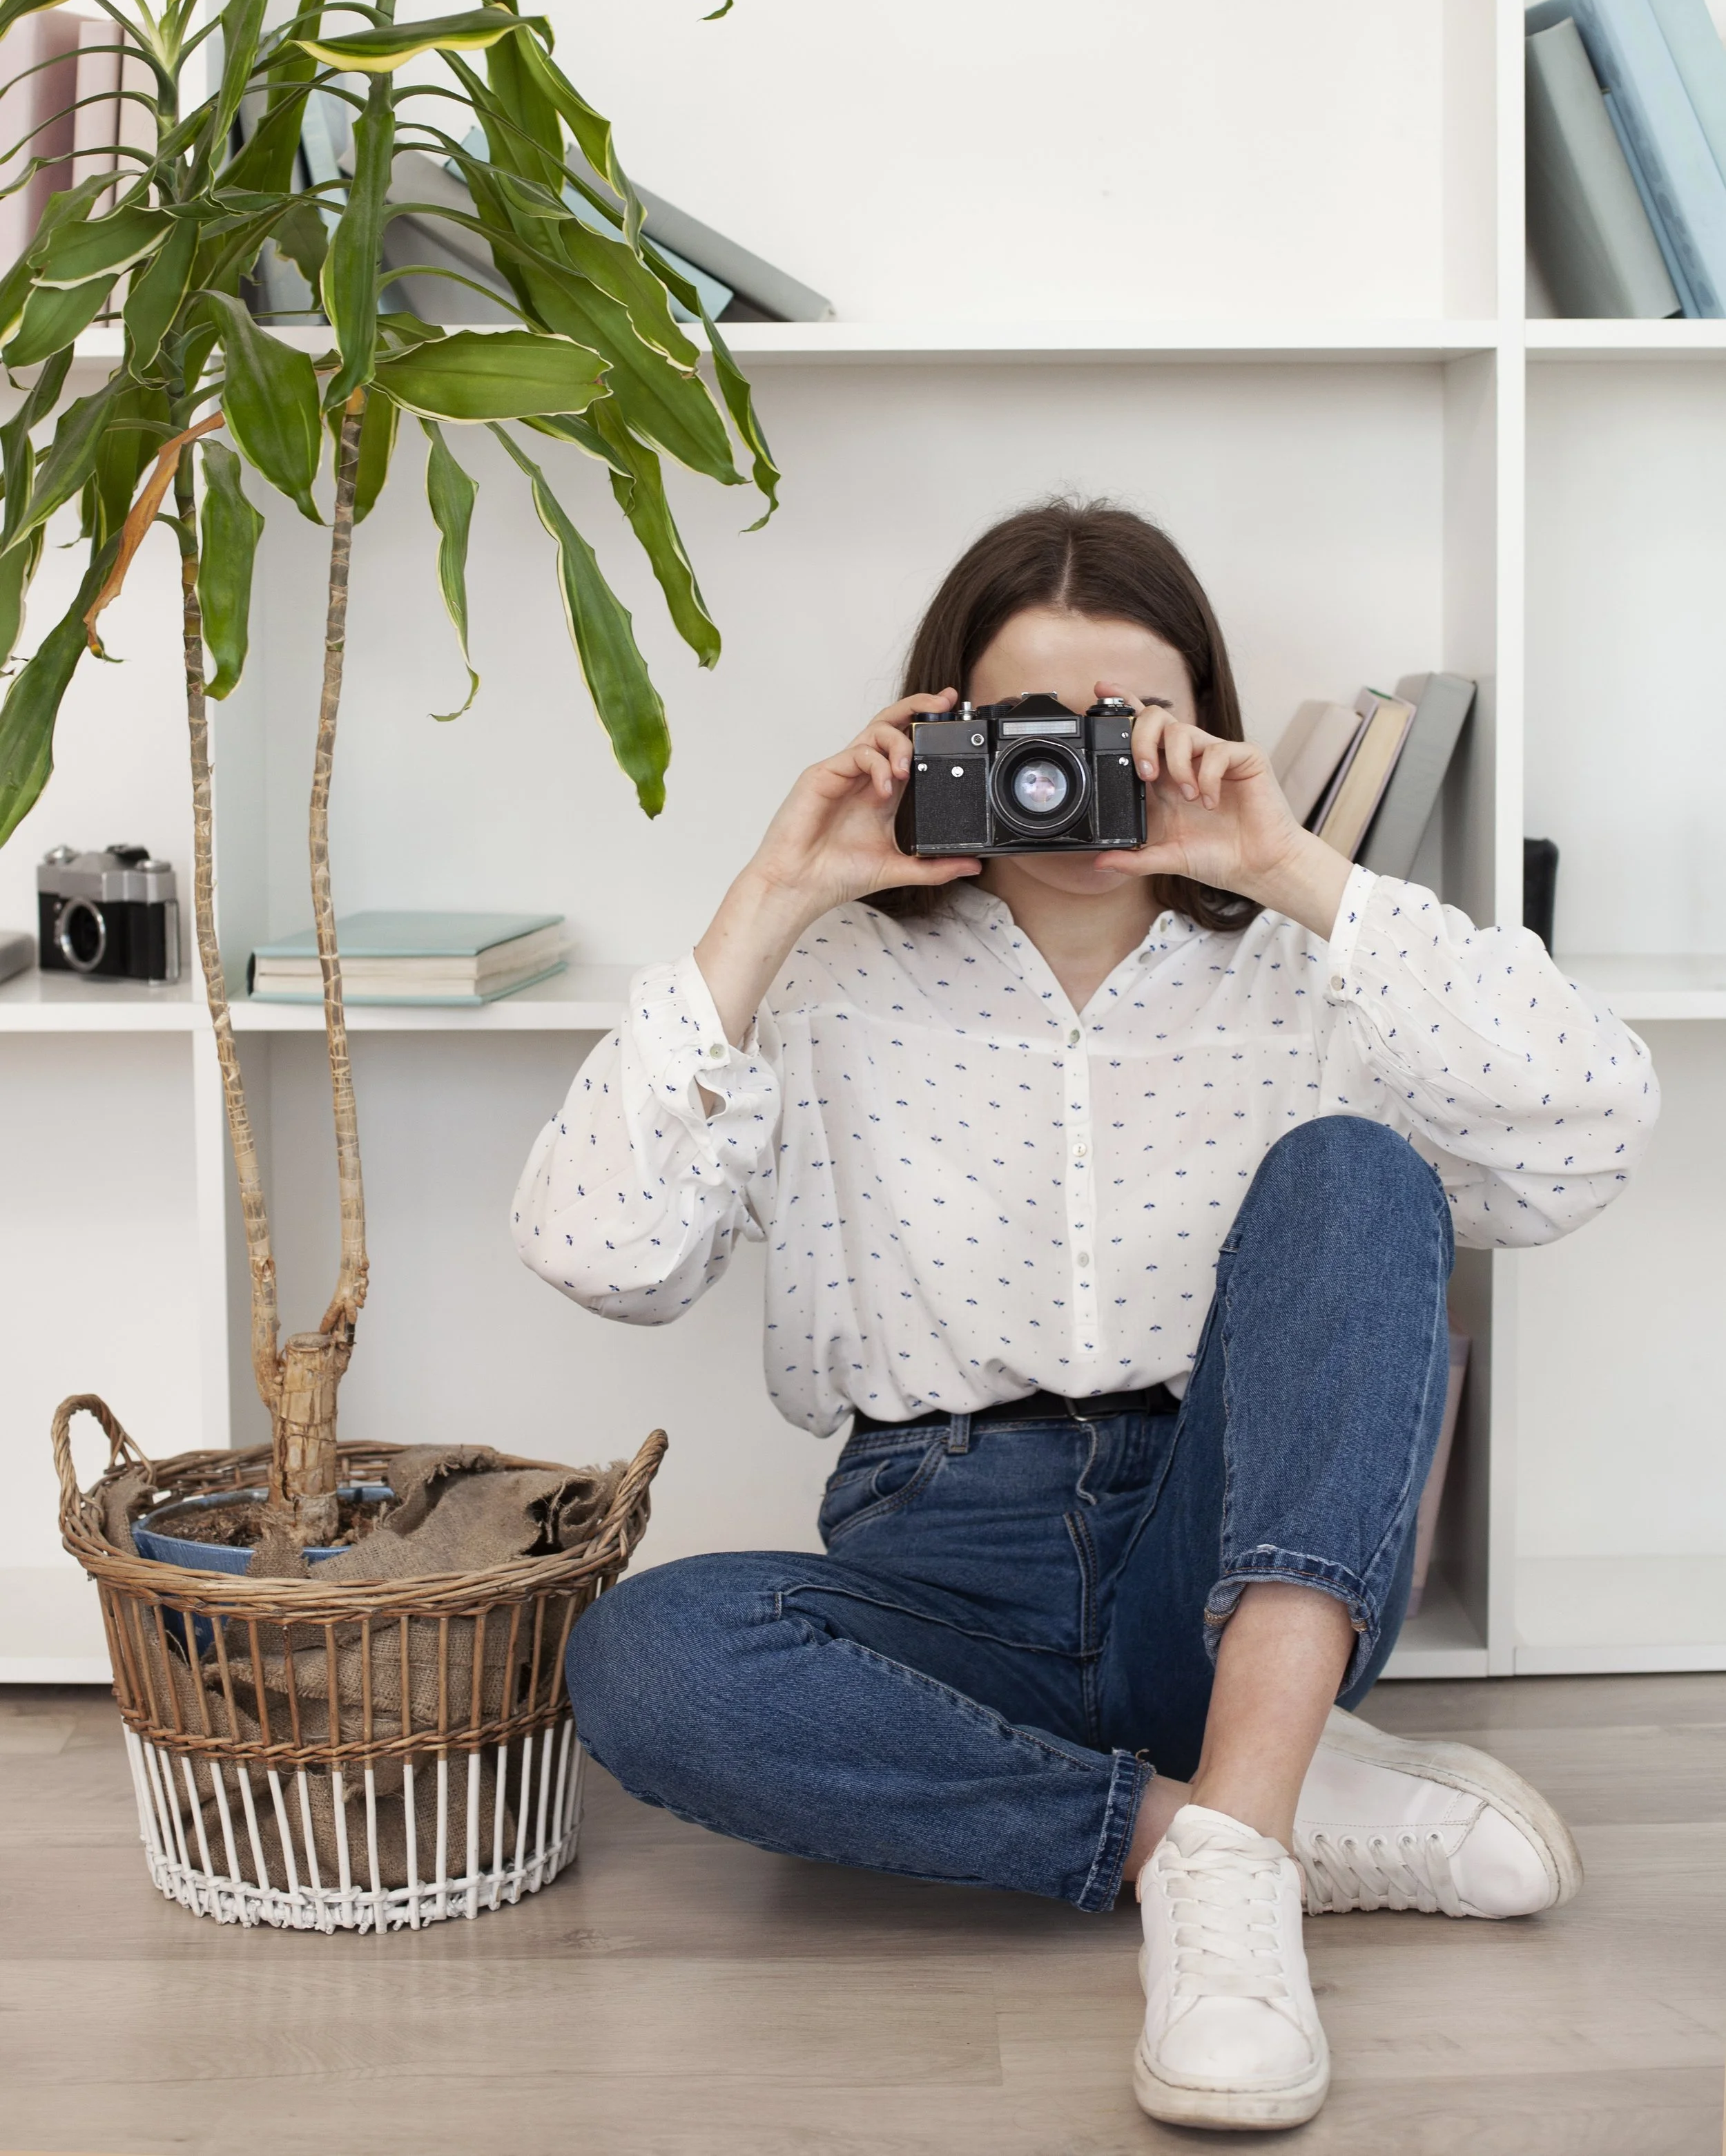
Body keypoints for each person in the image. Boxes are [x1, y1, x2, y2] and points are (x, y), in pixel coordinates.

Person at [513, 499, 1657, 2132]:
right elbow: (597, 1252)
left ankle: (1232, 1874)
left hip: (1237, 1558)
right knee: (641, 1658)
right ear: (938, 734)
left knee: (1355, 1172)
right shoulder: (832, 977)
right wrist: (770, 893)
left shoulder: (1305, 969)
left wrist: (1298, 871)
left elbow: (1592, 1124)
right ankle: (1230, 1827)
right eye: (1024, 727)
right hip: (937, 1573)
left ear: (1199, 732)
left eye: (1120, 724)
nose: (1066, 766)